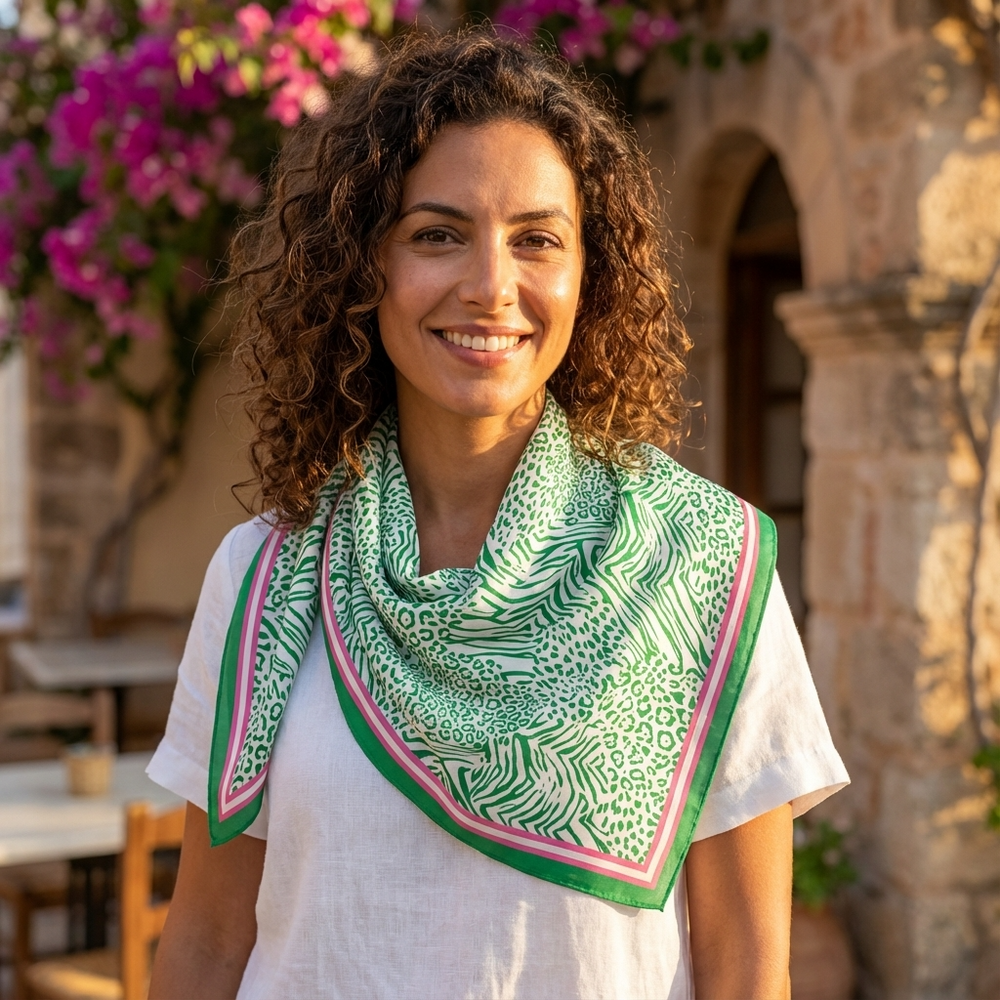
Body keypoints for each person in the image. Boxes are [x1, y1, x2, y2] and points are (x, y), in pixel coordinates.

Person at [147, 28, 848, 1000]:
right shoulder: (268, 575)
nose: (491, 285)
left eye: (537, 239)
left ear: (585, 275)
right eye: (437, 233)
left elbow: (744, 960)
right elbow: (210, 938)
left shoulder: (701, 565)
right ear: (364, 266)